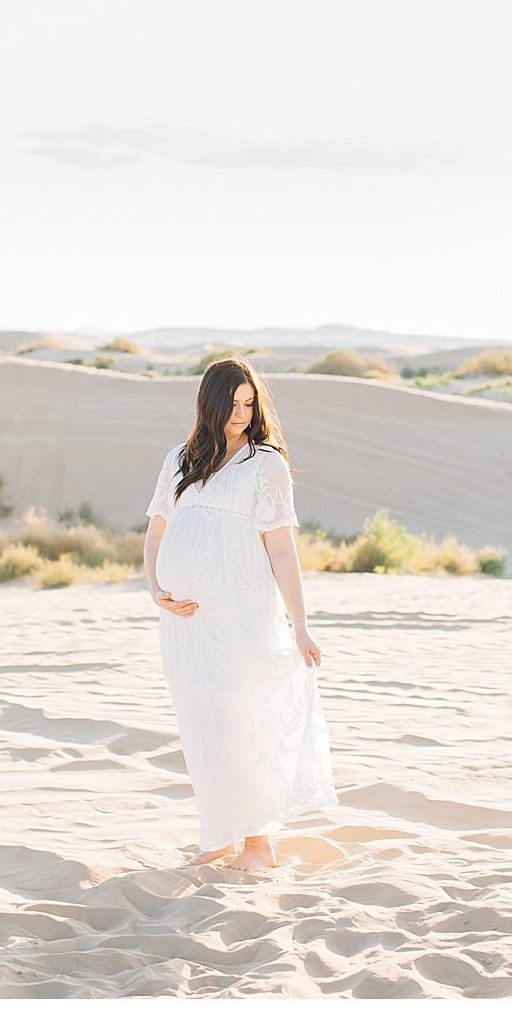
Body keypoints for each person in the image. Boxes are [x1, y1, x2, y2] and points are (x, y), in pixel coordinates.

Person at [141, 357, 336, 871]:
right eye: (232, 403)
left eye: (250, 404)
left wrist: (300, 625)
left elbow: (281, 550)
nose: (241, 413)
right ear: (210, 403)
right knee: (200, 723)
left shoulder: (264, 464)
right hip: (185, 621)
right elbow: (156, 532)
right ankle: (217, 836)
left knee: (239, 718)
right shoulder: (180, 461)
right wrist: (155, 587)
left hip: (243, 613)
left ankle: (257, 842)